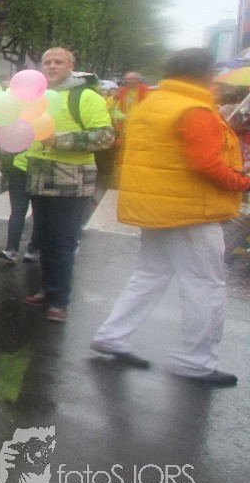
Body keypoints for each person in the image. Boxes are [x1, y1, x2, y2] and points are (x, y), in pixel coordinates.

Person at [91, 49, 248, 386]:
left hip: (156, 207)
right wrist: (242, 181)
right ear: (207, 73)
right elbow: (208, 164)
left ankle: (113, 335)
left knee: (150, 275)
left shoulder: (153, 103)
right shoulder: (195, 109)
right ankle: (195, 360)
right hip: (191, 211)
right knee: (205, 285)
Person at [23, 47, 114, 322]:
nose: (51, 66)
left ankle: (59, 301)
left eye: (58, 62)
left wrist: (59, 139)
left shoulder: (85, 96)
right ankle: (48, 289)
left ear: (71, 66)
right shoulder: (35, 95)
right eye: (47, 62)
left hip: (71, 179)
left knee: (62, 241)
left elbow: (105, 136)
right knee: (44, 240)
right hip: (39, 176)